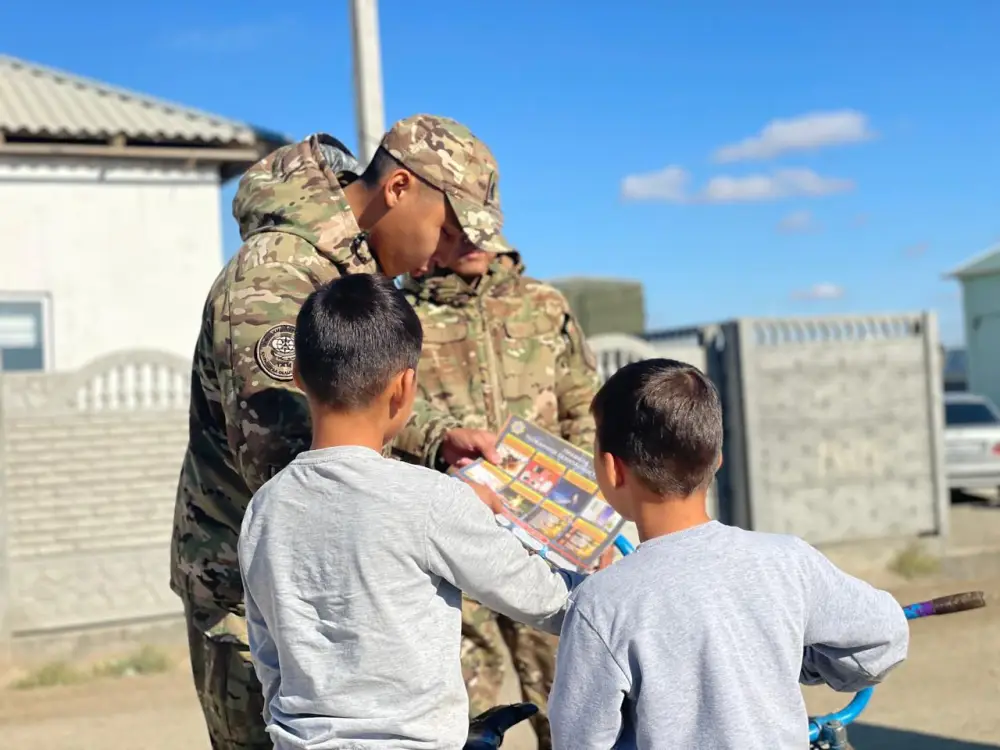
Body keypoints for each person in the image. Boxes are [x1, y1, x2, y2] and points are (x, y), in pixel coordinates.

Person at [171, 115, 510, 750]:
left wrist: (438, 437)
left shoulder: (347, 271)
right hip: (260, 602)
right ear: (400, 188)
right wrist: (438, 506)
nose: (448, 253)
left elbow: (354, 402)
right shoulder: (276, 279)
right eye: (449, 228)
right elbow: (290, 462)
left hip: (329, 579)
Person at [238, 273, 584, 750]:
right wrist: (611, 585)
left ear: (297, 376)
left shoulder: (264, 508)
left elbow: (269, 660)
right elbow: (548, 602)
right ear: (404, 389)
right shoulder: (432, 500)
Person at [548, 359, 910, 749]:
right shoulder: (788, 560)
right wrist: (798, 660)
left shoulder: (602, 602)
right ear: (716, 460)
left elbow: (579, 739)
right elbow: (884, 638)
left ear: (612, 469)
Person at [395, 241, 600, 749]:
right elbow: (391, 418)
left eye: (482, 228)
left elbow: (584, 406)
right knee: (458, 713)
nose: (472, 242)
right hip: (452, 541)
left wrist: (586, 507)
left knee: (574, 701)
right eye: (459, 229)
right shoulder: (405, 314)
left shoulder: (543, 304)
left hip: (550, 542)